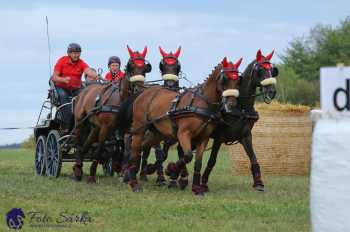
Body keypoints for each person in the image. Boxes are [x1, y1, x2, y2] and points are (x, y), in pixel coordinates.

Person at [51, 42, 97, 132]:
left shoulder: (81, 62)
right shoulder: (62, 61)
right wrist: (63, 80)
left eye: (78, 53)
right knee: (64, 98)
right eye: (74, 53)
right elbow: (54, 77)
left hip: (76, 88)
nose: (76, 55)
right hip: (61, 87)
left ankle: (85, 120)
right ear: (69, 53)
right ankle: (67, 124)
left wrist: (95, 75)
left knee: (86, 96)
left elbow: (88, 70)